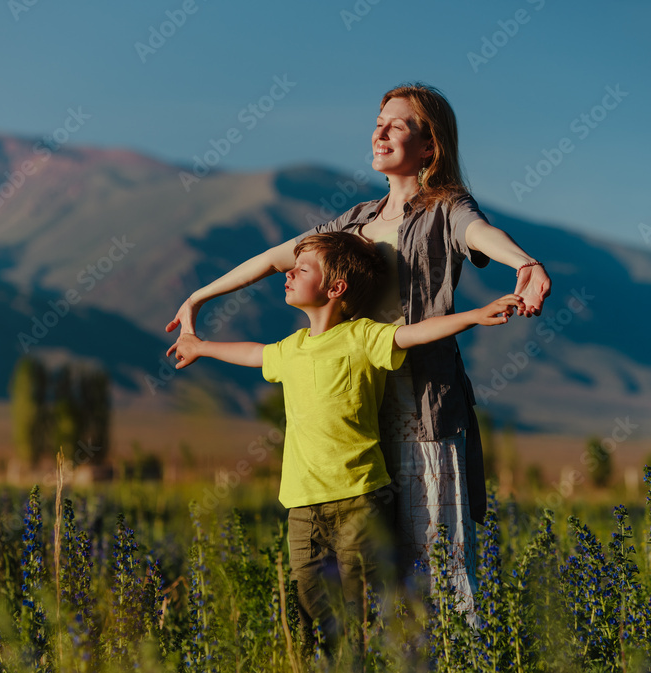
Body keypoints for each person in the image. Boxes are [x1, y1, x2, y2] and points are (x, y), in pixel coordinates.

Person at [167, 82, 551, 609]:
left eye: (398, 124)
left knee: (440, 569)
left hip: (422, 412)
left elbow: (479, 232)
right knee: (383, 584)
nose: (381, 132)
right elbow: (275, 257)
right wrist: (199, 296)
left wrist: (524, 263)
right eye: (378, 123)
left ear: (429, 146)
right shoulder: (353, 223)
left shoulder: (446, 208)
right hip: (358, 423)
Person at [171, 231, 525, 655]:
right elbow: (251, 353)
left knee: (364, 613)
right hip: (301, 506)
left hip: (360, 501)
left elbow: (415, 334)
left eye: (300, 270)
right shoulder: (291, 348)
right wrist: (201, 345)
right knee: (312, 613)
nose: (286, 275)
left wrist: (475, 315)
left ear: (335, 288)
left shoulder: (361, 337)